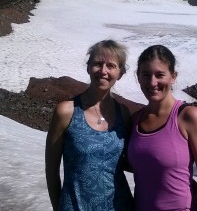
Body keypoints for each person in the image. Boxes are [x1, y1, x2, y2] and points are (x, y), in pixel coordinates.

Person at [45, 39, 134, 211]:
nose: (103, 71)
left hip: (120, 206)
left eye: (111, 66)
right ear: (88, 67)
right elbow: (51, 169)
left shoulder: (123, 113)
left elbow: (131, 162)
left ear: (120, 72)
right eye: (98, 64)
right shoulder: (66, 112)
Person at [127, 45, 197, 211]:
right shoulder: (135, 120)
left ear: (173, 76)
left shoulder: (188, 116)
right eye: (146, 75)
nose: (152, 82)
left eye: (159, 75)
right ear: (138, 76)